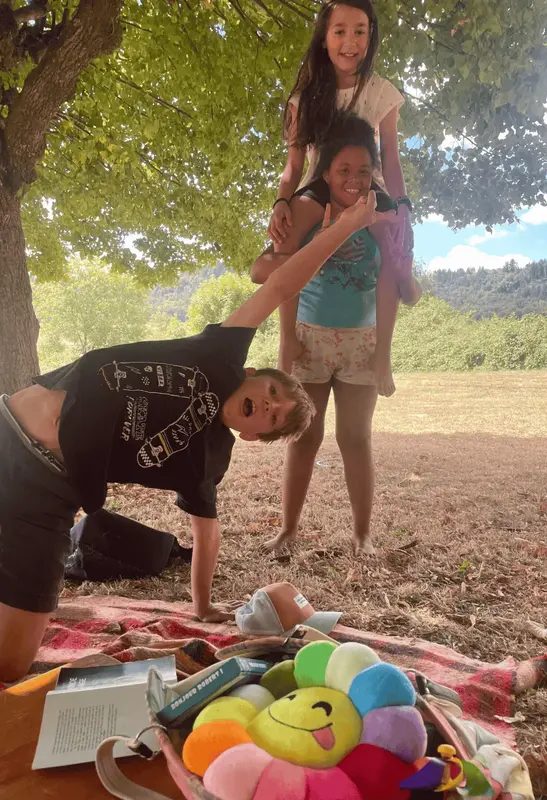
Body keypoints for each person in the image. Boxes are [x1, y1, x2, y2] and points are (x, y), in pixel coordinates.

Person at [0, 191, 379, 683]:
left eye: (274, 417)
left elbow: (207, 533)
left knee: (11, 663)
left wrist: (202, 608)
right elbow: (282, 285)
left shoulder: (207, 461)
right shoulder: (218, 354)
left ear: (251, 435)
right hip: (10, 430)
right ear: (248, 373)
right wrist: (346, 227)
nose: (271, 405)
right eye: (271, 391)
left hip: (50, 497)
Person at [251, 116, 421, 559]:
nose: (354, 179)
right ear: (326, 172)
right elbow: (281, 270)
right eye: (343, 170)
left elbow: (391, 286)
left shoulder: (379, 212)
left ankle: (362, 536)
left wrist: (382, 355)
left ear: (373, 174)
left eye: (363, 171)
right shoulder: (311, 207)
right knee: (305, 435)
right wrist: (286, 340)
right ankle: (287, 530)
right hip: (310, 339)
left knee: (355, 438)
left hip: (360, 343)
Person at [267, 0, 412, 396]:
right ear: (325, 38)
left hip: (368, 186)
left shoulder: (382, 94)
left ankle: (382, 352)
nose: (350, 41)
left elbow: (392, 160)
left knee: (391, 245)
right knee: (285, 235)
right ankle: (287, 339)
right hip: (320, 184)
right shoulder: (304, 99)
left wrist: (403, 208)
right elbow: (293, 167)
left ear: (371, 36)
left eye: (360, 31)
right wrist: (281, 201)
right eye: (340, 31)